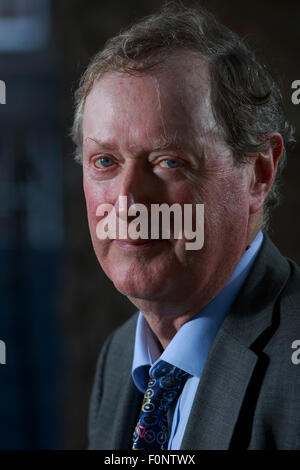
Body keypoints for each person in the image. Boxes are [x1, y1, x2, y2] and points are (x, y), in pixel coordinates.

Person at [71, 2, 300, 450]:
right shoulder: (118, 360)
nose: (128, 202)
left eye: (169, 162)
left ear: (258, 173)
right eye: (104, 161)